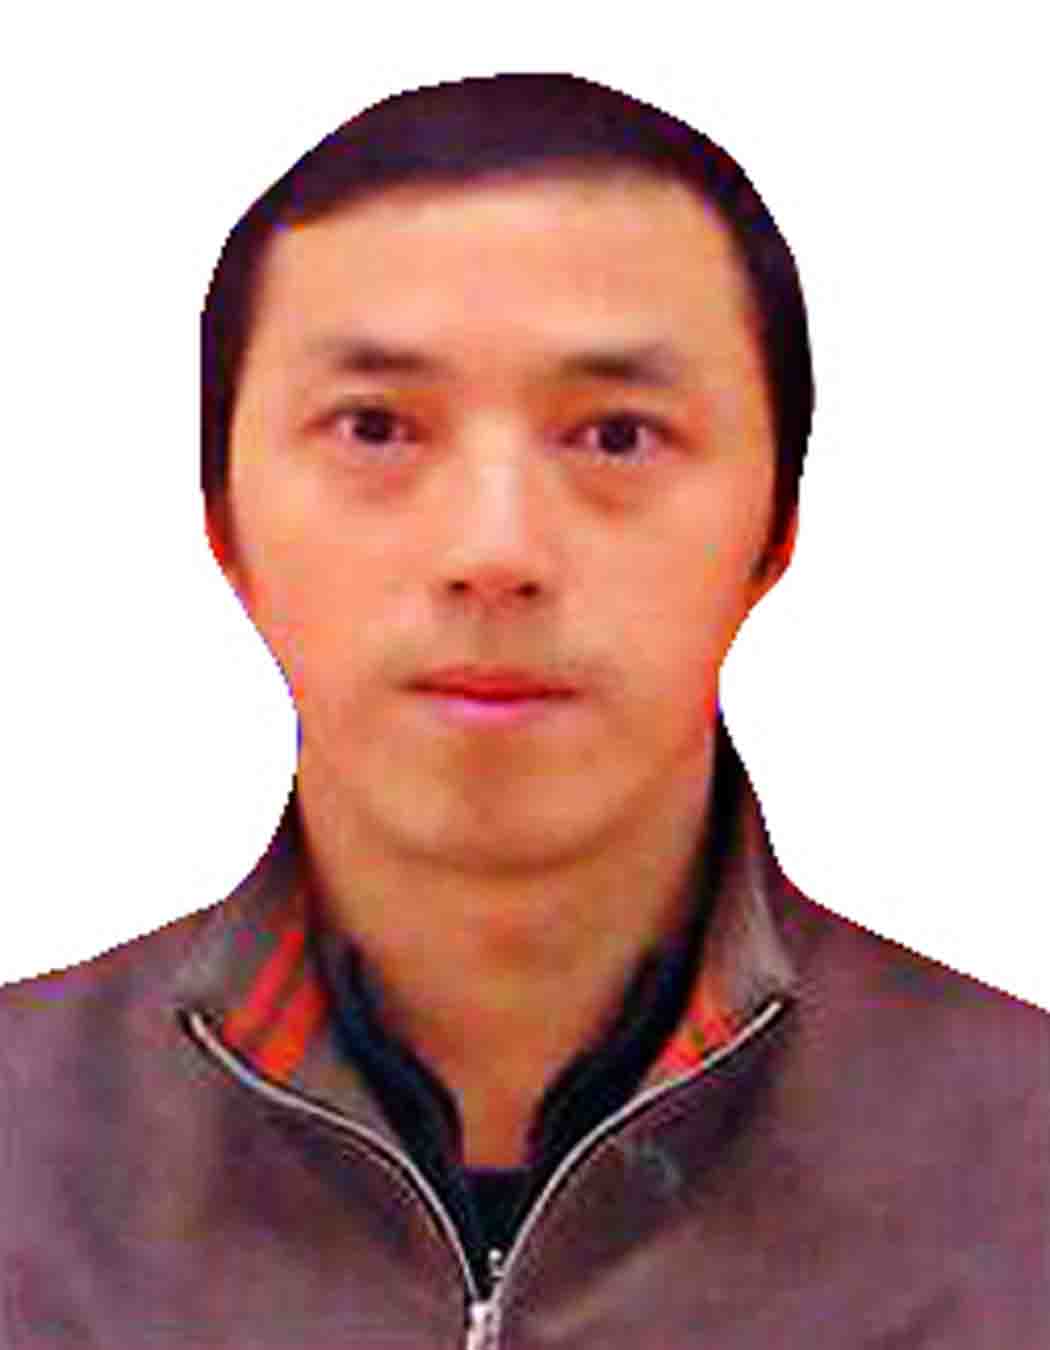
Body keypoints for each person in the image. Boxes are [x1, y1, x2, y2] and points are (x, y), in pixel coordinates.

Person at [1, 72, 1046, 1348]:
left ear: (776, 527)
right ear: (225, 524)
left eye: (616, 437)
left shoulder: (1018, 1177)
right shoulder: (25, 1163)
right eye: (376, 428)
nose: (493, 550)